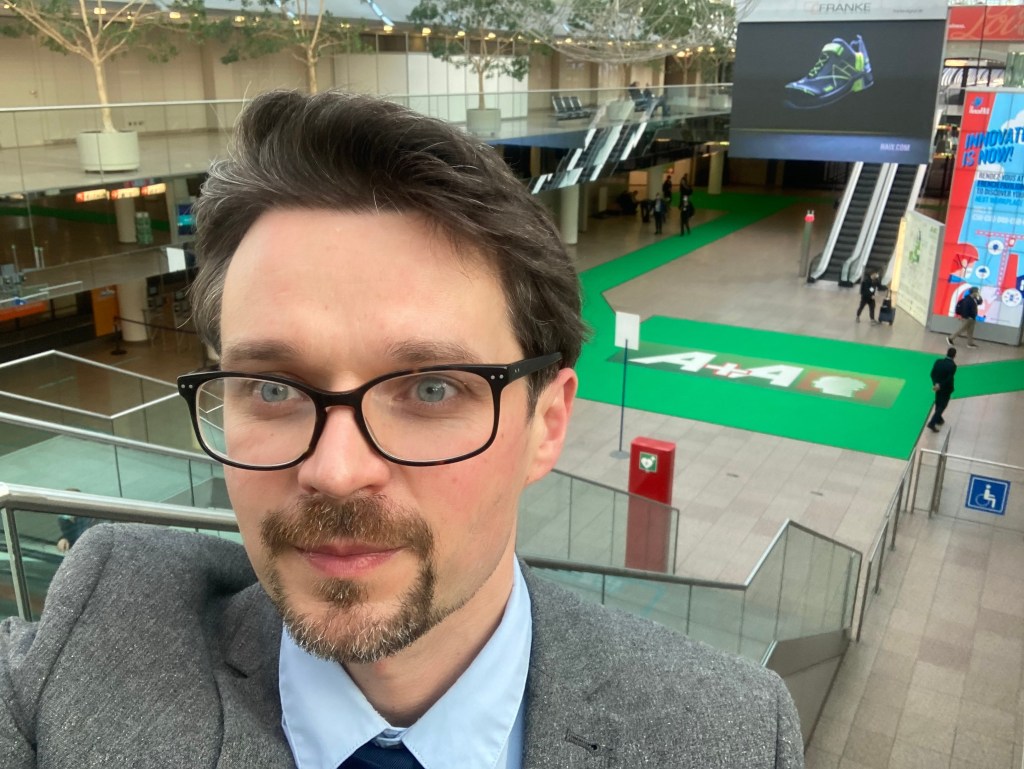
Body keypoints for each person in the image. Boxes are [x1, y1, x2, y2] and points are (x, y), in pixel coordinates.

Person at [0, 90, 803, 768]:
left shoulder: (726, 735)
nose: (335, 470)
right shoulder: (92, 645)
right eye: (273, 387)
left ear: (547, 424)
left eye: (429, 388)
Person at [927, 347, 957, 433]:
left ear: (947, 353)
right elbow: (949, 379)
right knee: (942, 405)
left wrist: (936, 384)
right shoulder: (953, 366)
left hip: (937, 387)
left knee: (938, 402)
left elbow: (932, 374)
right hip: (946, 389)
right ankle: (932, 423)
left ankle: (939, 419)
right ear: (954, 355)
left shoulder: (938, 361)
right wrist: (940, 385)